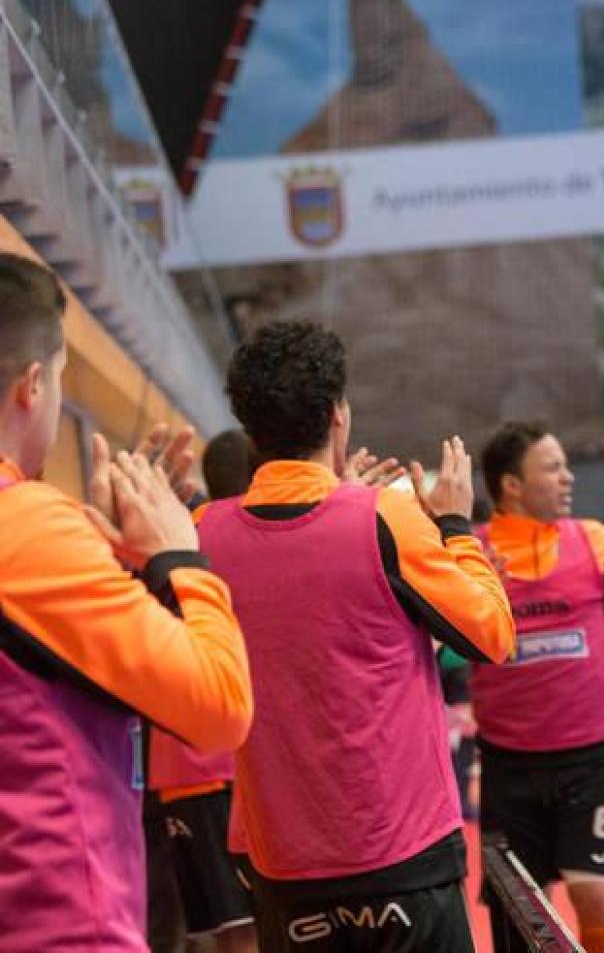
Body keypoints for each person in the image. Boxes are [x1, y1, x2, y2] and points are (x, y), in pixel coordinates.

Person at [198, 320, 514, 952]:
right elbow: (492, 635)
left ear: (248, 424)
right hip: (403, 852)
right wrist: (455, 525)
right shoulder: (385, 518)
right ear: (338, 415)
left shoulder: (202, 533)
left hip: (283, 862)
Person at [0, 253, 253, 949]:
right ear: (31, 387)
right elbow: (220, 706)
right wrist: (177, 556)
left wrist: (110, 559)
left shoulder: (44, 535)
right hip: (59, 924)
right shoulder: (31, 526)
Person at [471, 421, 604, 953]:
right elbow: (446, 646)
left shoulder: (594, 541)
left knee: (597, 896)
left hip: (592, 759)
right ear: (512, 485)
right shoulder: (472, 555)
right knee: (519, 913)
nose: (569, 477)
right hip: (509, 764)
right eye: (552, 467)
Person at [146, 428, 260, 953]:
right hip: (224, 767)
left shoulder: (168, 538)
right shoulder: (239, 538)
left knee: (217, 930)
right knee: (247, 929)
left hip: (176, 771)